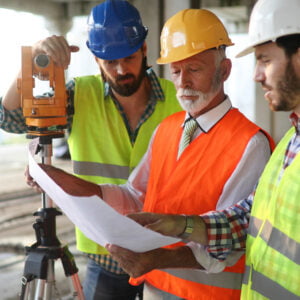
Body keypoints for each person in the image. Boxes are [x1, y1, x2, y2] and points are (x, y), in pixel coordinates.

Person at [26, 8, 275, 300]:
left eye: (194, 69)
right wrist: (68, 184)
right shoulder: (168, 129)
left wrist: (157, 259)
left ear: (225, 70)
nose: (183, 82)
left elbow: (232, 240)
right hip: (154, 290)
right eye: (177, 71)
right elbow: (136, 196)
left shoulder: (250, 143)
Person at [0, 0, 183, 299]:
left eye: (129, 57)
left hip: (164, 255)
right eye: (110, 61)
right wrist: (34, 58)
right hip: (104, 257)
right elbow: (8, 119)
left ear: (145, 49)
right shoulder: (78, 95)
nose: (121, 69)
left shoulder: (179, 101)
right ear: (96, 59)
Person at [126, 0, 300, 299]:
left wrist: (166, 251)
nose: (257, 75)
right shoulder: (290, 140)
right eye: (176, 70)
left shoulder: (254, 142)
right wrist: (180, 224)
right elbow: (248, 217)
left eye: (265, 60)